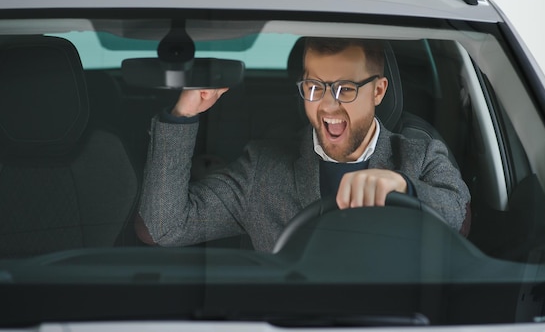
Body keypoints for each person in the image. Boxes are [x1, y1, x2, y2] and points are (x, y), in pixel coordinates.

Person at [136, 37, 470, 252]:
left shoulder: (418, 155)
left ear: (379, 91)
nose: (327, 105)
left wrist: (404, 188)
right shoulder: (263, 168)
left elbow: (457, 217)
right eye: (314, 87)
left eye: (345, 89)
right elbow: (163, 228)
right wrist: (184, 115)